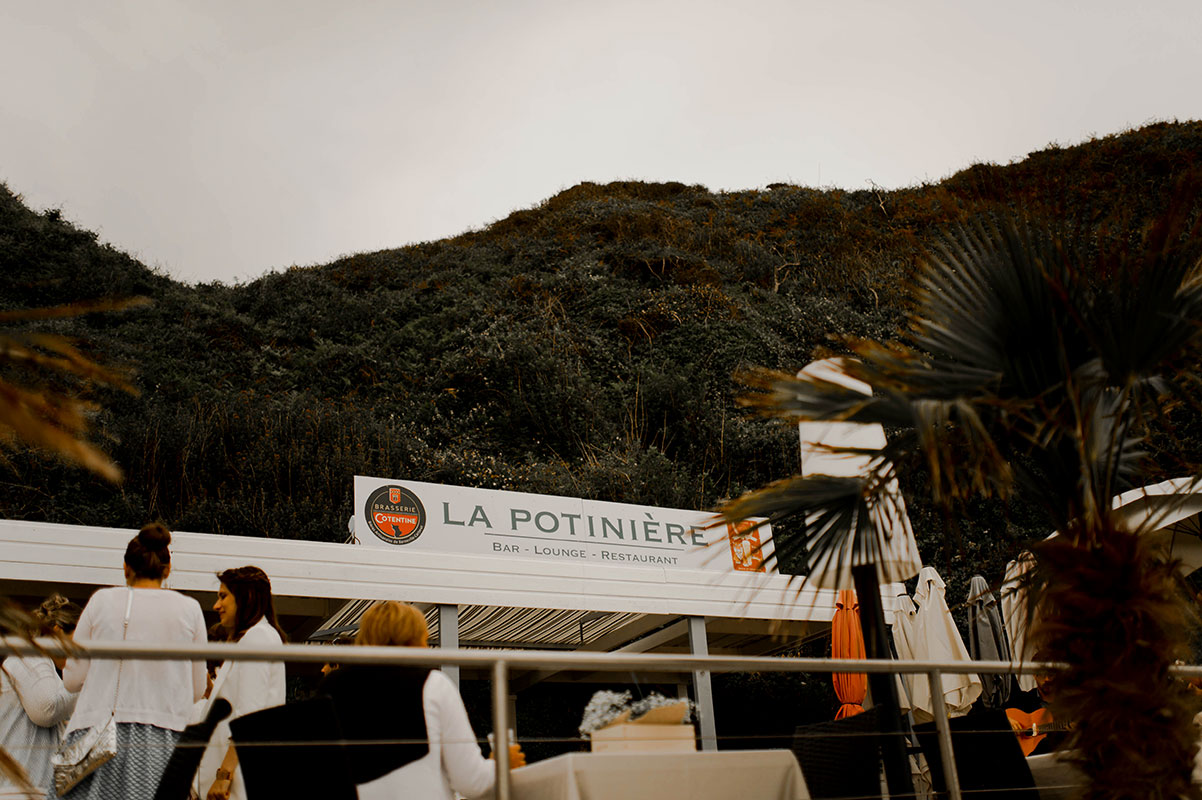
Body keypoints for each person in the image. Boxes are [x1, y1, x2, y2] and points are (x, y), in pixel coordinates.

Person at [60, 523, 208, 800]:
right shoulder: (189, 609)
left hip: (97, 732)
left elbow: (72, 680)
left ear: (126, 567)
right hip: (163, 739)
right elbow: (197, 689)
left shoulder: (101, 601)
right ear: (167, 570)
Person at [320, 601, 523, 800]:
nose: (426, 648)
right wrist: (502, 762)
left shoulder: (330, 689)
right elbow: (471, 782)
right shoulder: (433, 685)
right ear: (411, 641)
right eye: (424, 640)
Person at [197, 567, 286, 800]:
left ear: (245, 598)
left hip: (238, 781)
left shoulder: (258, 638)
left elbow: (250, 715)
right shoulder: (254, 638)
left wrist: (223, 775)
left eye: (223, 596)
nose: (216, 605)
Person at [0, 594, 83, 799]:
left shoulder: (36, 662)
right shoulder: (30, 656)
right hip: (19, 791)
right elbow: (46, 709)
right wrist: (88, 686)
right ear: (57, 632)